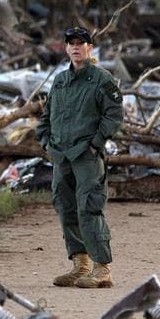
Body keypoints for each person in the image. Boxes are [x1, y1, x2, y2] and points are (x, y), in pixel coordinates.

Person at [36, 26, 124, 289]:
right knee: (65, 208)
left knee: (89, 207)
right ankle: (80, 265)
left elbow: (114, 115)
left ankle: (101, 268)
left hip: (86, 155)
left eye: (81, 43)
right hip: (61, 156)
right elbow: (46, 116)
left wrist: (96, 144)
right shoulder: (60, 80)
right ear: (66, 48)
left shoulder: (101, 79)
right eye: (71, 43)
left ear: (90, 48)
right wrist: (46, 142)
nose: (76, 47)